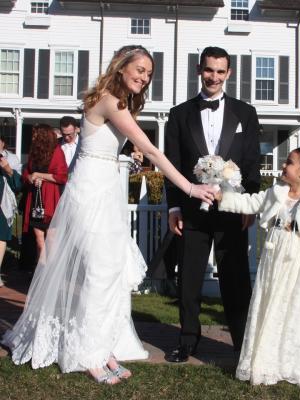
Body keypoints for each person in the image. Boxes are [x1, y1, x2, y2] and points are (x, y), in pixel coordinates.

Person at [2, 45, 214, 385]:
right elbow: (150, 148)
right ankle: (90, 353)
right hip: (92, 194)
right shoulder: (109, 100)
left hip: (103, 190)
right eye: (140, 69)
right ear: (121, 65)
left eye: (149, 73)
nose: (144, 78)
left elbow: (84, 155)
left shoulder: (116, 102)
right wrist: (189, 188)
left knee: (110, 273)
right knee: (99, 273)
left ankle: (103, 346)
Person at [164, 46, 261, 363]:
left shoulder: (246, 113)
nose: (214, 77)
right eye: (209, 70)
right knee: (189, 278)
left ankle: (242, 343)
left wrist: (248, 204)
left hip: (233, 209)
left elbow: (252, 164)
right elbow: (173, 165)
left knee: (235, 279)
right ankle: (188, 339)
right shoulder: (179, 115)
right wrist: (174, 207)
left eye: (220, 71)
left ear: (229, 73)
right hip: (192, 210)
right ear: (199, 70)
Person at [216, 146, 300, 387]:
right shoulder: (276, 192)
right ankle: (267, 360)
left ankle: (293, 361)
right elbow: (251, 202)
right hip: (275, 255)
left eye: (289, 162)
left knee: (295, 308)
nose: (283, 165)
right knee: (271, 302)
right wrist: (223, 197)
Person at [21, 125, 68, 261]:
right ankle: (40, 273)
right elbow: (26, 173)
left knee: (52, 240)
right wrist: (30, 178)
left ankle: (51, 277)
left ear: (43, 136)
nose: (33, 137)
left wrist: (39, 175)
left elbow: (61, 177)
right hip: (35, 197)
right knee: (39, 241)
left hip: (50, 199)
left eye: (36, 134)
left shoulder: (57, 152)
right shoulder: (34, 152)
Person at [0, 136, 22, 288]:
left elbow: (18, 184)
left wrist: (8, 169)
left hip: (3, 201)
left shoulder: (11, 158)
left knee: (1, 235)